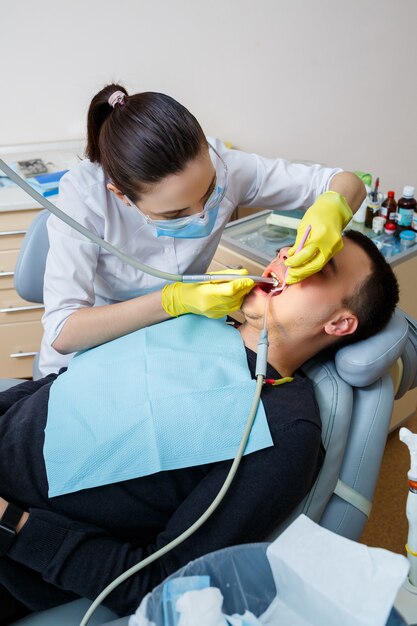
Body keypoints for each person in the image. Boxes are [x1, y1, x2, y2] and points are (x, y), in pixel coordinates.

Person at [0, 230, 398, 619]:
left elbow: (165, 582)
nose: (288, 261)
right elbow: (60, 385)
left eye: (318, 267)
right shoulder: (193, 315)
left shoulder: (283, 427)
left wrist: (10, 522)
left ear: (340, 324)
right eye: (293, 248)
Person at [39, 83, 366, 376]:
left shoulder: (225, 166)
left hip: (172, 346)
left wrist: (332, 208)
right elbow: (62, 331)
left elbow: (344, 182)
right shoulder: (84, 199)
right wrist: (174, 301)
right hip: (96, 351)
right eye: (176, 212)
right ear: (121, 195)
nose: (201, 215)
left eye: (210, 191)